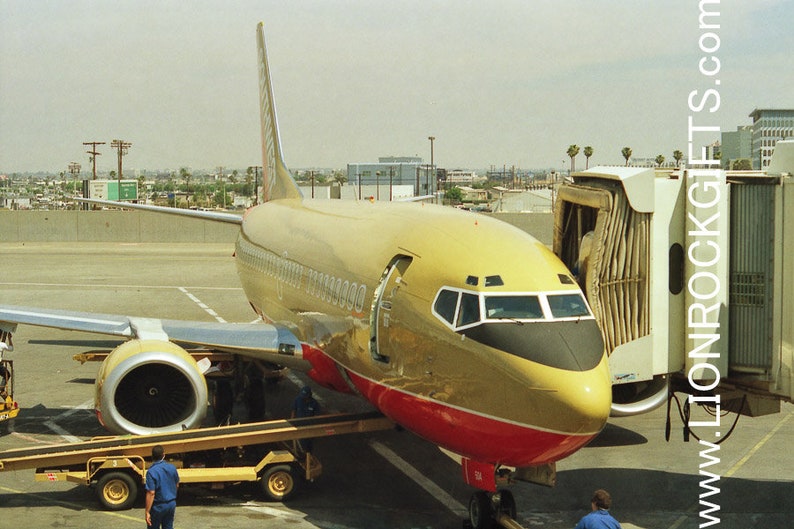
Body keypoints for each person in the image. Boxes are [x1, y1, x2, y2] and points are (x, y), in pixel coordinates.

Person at [145, 445, 180, 529]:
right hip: (171, 504)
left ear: (152, 456)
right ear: (163, 455)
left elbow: (151, 493)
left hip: (158, 506)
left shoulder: (151, 471)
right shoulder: (172, 468)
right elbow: (177, 484)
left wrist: (147, 511)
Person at [291, 385, 320, 452]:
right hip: (299, 425)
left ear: (309, 395)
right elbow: (293, 410)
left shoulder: (314, 403)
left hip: (309, 427)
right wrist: (292, 422)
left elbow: (317, 416)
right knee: (300, 443)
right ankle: (301, 454)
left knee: (308, 444)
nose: (303, 398)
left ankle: (308, 454)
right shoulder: (298, 400)